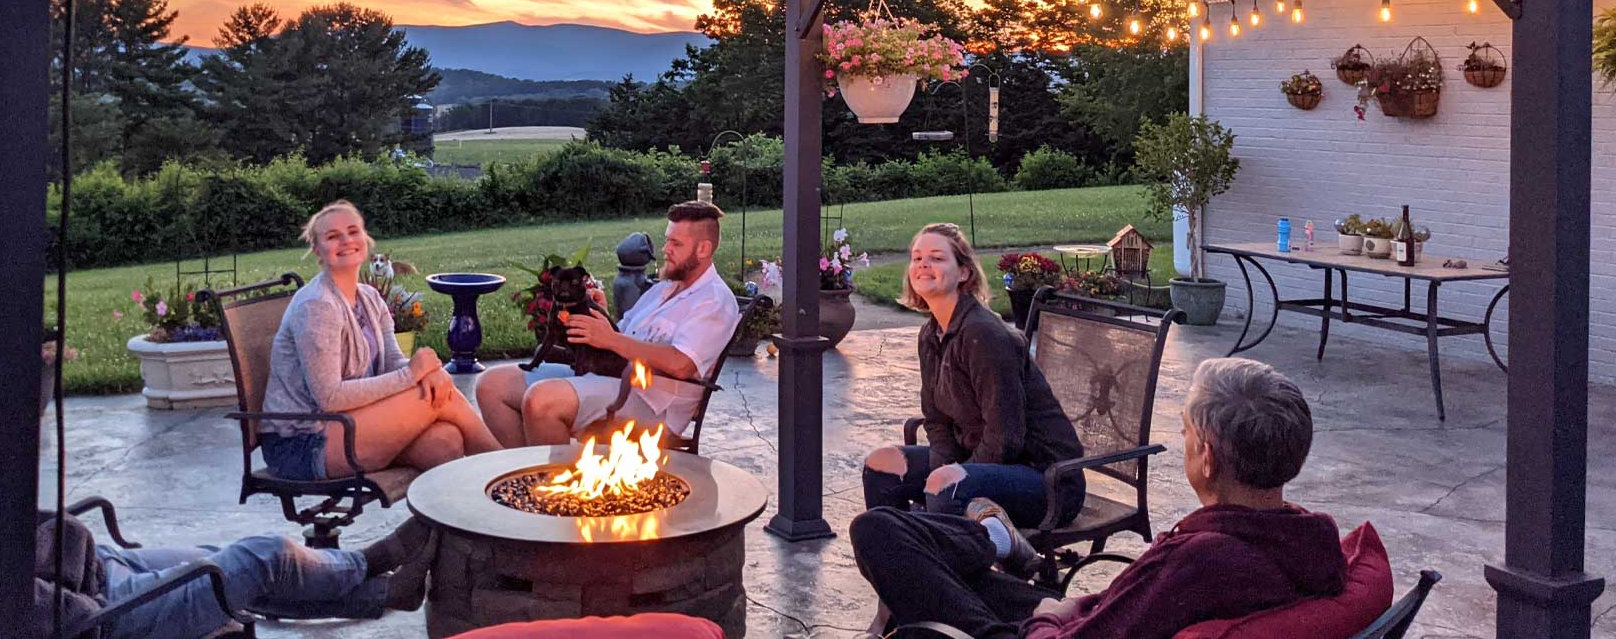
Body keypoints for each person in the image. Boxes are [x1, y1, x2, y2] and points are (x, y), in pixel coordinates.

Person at [0, 358, 434, 639]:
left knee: (218, 557)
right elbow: (30, 603)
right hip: (102, 613)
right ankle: (369, 565)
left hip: (97, 573)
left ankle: (383, 593)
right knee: (258, 559)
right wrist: (92, 599)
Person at [850, 357, 1348, 639]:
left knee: (885, 547)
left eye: (1186, 435)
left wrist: (1051, 616)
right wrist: (1080, 603)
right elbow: (1130, 612)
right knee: (903, 543)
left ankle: (990, 540)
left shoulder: (1203, 559)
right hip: (1090, 615)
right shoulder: (1307, 537)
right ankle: (993, 541)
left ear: (1209, 459)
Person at [861, 223, 1084, 528]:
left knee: (946, 485)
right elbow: (935, 419)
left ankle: (944, 562)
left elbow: (1005, 437)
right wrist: (945, 468)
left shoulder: (983, 334)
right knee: (881, 466)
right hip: (982, 463)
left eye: (937, 258)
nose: (923, 264)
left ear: (964, 273)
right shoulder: (931, 334)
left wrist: (955, 476)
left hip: (1044, 479)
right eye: (917, 258)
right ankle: (903, 558)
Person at [261, 201, 500, 480]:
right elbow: (330, 398)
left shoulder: (370, 297)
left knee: (444, 442)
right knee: (434, 397)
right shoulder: (317, 306)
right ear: (317, 251)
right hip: (303, 442)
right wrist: (413, 375)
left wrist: (426, 373)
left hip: (351, 422)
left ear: (366, 239)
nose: (346, 241)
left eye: (353, 231)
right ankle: (509, 468)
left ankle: (443, 523)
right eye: (332, 236)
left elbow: (392, 362)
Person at [477, 200, 740, 447]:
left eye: (675, 243)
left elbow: (682, 364)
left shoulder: (714, 301)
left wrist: (611, 339)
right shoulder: (665, 288)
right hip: (610, 376)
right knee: (492, 385)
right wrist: (601, 316)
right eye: (666, 240)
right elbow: (624, 334)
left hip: (651, 403)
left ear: (703, 249)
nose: (665, 249)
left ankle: (554, 489)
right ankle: (530, 477)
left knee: (542, 401)